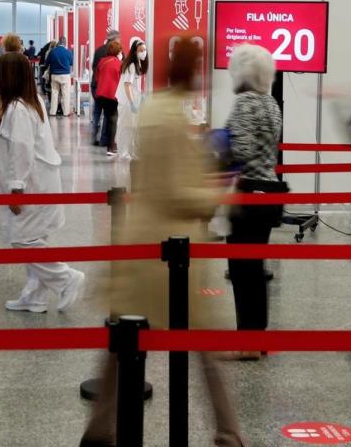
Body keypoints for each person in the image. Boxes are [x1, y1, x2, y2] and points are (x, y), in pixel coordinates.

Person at [82, 36, 245, 447]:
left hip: (140, 239)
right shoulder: (173, 118)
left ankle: (100, 428)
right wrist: (221, 195)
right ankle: (228, 433)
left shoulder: (155, 106)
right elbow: (177, 191)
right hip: (172, 252)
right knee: (202, 342)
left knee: (123, 343)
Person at [0, 52, 86, 313]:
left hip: (32, 184)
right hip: (42, 180)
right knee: (35, 238)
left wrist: (16, 188)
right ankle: (34, 296)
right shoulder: (32, 102)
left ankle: (66, 278)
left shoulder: (18, 109)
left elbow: (21, 151)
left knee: (23, 239)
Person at [223, 44, 283, 360]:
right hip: (269, 191)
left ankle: (246, 341)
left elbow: (241, 152)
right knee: (255, 268)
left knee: (242, 269)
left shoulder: (244, 102)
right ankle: (257, 336)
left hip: (247, 193)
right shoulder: (271, 103)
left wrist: (217, 145)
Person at [115, 39, 146, 160]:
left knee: (131, 127)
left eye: (145, 50)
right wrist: (133, 103)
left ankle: (129, 152)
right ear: (134, 51)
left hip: (132, 99)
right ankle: (123, 153)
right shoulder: (131, 65)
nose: (144, 53)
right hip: (126, 101)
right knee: (125, 127)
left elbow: (134, 85)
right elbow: (127, 85)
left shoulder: (137, 63)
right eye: (141, 50)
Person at [91, 30, 120, 146]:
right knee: (108, 114)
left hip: (96, 86)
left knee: (97, 112)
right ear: (115, 39)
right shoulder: (116, 53)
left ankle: (94, 136)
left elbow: (95, 68)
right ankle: (104, 139)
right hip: (108, 88)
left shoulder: (98, 50)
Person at [94, 40, 123, 156]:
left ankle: (109, 143)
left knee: (108, 118)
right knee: (113, 120)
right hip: (112, 95)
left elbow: (96, 76)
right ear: (118, 51)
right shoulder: (119, 64)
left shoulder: (102, 61)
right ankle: (111, 147)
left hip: (101, 95)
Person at [44, 37, 74, 117]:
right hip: (65, 75)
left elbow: (47, 63)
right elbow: (71, 63)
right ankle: (66, 112)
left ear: (58, 42)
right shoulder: (68, 52)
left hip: (55, 75)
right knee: (65, 94)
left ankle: (53, 112)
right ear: (65, 43)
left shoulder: (52, 52)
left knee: (54, 93)